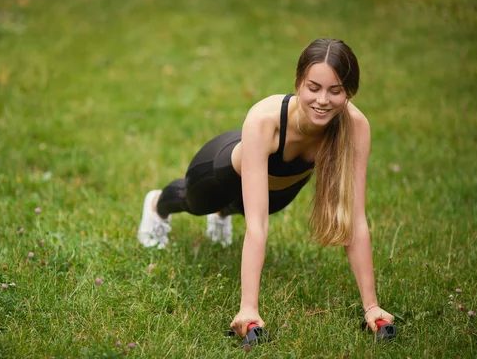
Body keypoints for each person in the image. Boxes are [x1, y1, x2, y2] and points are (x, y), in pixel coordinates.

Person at [137, 38, 395, 337]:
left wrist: (372, 307)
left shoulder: (355, 127)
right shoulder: (265, 120)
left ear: (348, 91)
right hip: (219, 172)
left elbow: (355, 219)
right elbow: (257, 227)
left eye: (335, 91)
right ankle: (157, 205)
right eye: (314, 88)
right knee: (194, 203)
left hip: (278, 192)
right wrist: (249, 308)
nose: (323, 100)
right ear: (298, 82)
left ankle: (223, 215)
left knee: (257, 207)